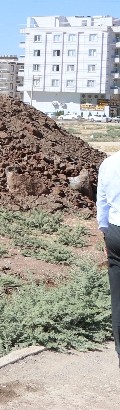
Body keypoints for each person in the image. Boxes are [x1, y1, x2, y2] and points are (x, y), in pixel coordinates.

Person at [97, 151, 120, 368]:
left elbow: (102, 203)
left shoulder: (109, 163)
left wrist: (105, 234)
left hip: (116, 232)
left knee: (118, 297)